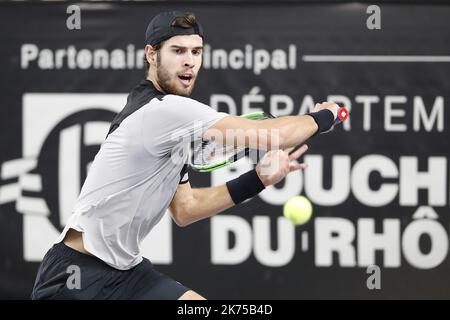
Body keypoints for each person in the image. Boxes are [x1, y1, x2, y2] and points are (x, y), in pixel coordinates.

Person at [31, 11, 341, 300]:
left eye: (196, 52)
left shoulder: (173, 130)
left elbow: (185, 209)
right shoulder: (164, 111)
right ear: (152, 55)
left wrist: (258, 179)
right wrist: (323, 118)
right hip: (76, 278)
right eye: (178, 51)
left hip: (128, 274)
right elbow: (275, 136)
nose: (189, 62)